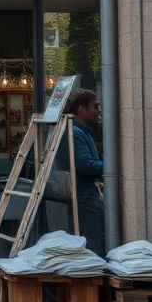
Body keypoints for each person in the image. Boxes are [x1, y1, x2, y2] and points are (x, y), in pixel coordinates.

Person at [64, 88, 105, 256]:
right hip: (84, 196)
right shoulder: (76, 133)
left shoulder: (80, 132)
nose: (99, 110)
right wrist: (112, 167)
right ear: (81, 109)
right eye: (95, 106)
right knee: (94, 242)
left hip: (83, 194)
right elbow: (85, 165)